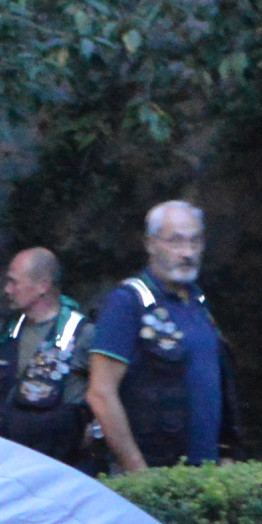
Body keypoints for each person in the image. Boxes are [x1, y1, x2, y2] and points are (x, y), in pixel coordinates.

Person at [85, 200, 229, 472]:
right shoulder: (128, 303)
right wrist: (139, 473)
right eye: (175, 242)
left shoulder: (198, 303)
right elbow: (100, 394)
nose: (187, 252)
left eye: (195, 242)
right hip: (155, 476)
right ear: (150, 244)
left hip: (204, 476)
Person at [0, 246, 92, 466]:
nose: (7, 290)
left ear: (42, 286)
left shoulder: (82, 334)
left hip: (59, 465)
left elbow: (109, 392)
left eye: (14, 282)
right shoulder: (8, 332)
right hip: (5, 460)